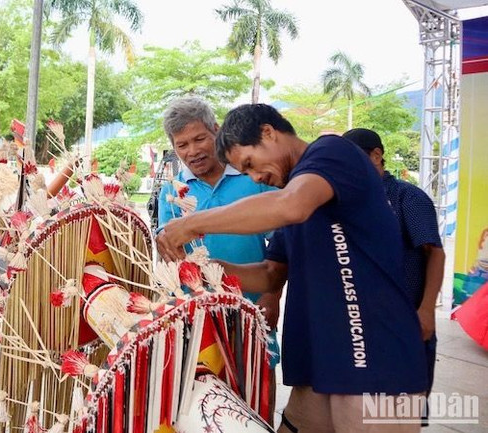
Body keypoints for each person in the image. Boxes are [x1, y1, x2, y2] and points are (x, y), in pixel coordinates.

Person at [158, 104, 428, 432]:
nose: (256, 177)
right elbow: (270, 275)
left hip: (375, 355)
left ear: (268, 132)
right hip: (322, 359)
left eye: (250, 164)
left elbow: (291, 206)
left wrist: (192, 224)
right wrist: (204, 269)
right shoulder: (291, 195)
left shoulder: (331, 152)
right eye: (245, 173)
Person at [155, 97, 283, 420]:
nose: (192, 151)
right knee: (202, 403)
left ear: (216, 130)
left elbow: (284, 240)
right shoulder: (172, 191)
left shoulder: (252, 177)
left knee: (256, 390)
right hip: (196, 316)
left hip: (252, 310)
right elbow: (168, 249)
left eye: (199, 138)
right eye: (182, 145)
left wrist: (272, 294)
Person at [343, 127, 445, 400]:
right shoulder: (348, 201)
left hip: (407, 321)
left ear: (376, 156)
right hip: (363, 326)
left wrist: (427, 310)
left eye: (354, 160)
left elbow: (435, 253)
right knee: (366, 408)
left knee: (406, 405)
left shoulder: (407, 198)